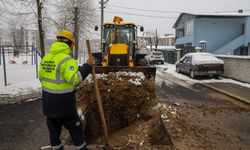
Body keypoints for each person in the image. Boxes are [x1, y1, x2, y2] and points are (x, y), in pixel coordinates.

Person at [39, 29, 95, 150]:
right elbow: (74, 79)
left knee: (54, 133)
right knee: (76, 130)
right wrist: (87, 67)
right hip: (64, 106)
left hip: (48, 104)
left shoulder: (46, 58)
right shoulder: (67, 60)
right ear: (69, 43)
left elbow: (42, 77)